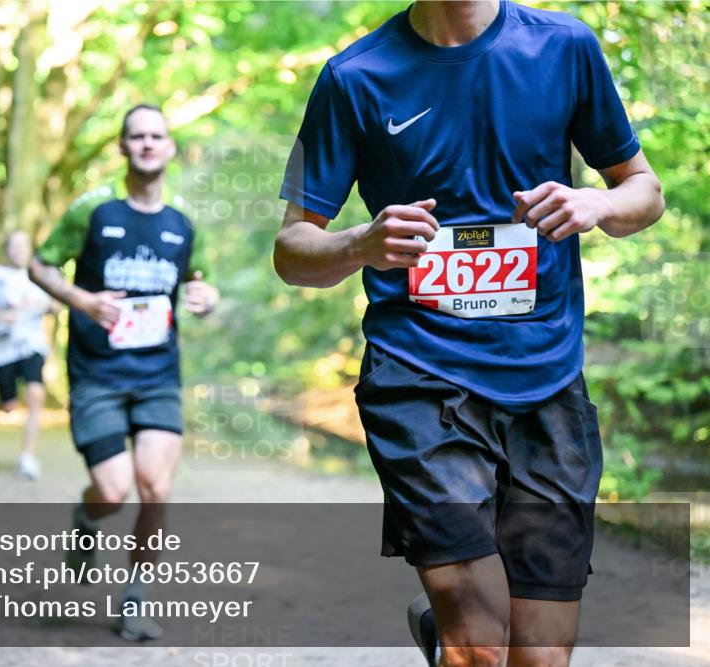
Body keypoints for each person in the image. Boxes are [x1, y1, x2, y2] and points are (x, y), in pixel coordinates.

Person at [273, 2, 664, 666]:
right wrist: (361, 243)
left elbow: (644, 190)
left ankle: (443, 630)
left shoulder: (565, 48)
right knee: (481, 646)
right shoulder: (353, 76)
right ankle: (454, 632)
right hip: (418, 375)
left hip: (546, 378)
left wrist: (597, 202)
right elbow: (292, 248)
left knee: (539, 657)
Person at [30, 103, 219, 641]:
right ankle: (86, 519)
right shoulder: (94, 211)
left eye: (157, 136)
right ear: (122, 146)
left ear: (170, 147)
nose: (147, 144)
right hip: (97, 373)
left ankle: (134, 603)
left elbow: (201, 283)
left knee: (155, 488)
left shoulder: (183, 223)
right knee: (112, 491)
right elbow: (39, 264)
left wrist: (207, 298)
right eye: (136, 136)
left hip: (158, 372)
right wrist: (82, 300)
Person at [0, 230, 52, 480]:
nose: (18, 251)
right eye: (13, 246)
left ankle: (28, 457)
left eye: (23, 246)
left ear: (30, 249)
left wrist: (44, 306)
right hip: (1, 351)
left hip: (31, 345)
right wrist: (3, 316)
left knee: (36, 393)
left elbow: (58, 303)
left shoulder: (39, 277)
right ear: (6, 249)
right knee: (10, 406)